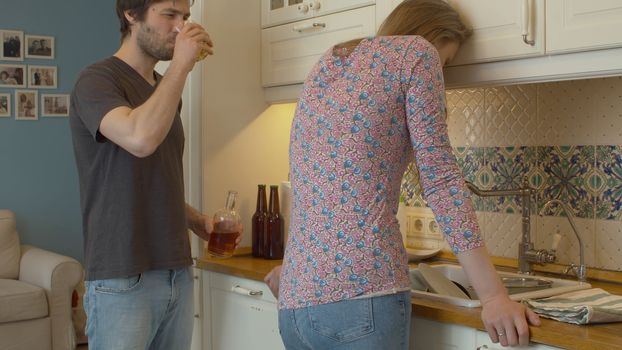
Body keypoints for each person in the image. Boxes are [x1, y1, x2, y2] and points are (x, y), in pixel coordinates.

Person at [264, 0, 541, 348]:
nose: (443, 72)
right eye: (447, 62)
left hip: (294, 305)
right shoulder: (417, 53)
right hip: (362, 296)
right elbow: (441, 182)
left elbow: (310, 180)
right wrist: (494, 296)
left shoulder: (331, 60)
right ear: (432, 36)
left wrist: (293, 267)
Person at [69, 1, 232, 349]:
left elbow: (151, 176)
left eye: (185, 17)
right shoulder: (96, 80)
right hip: (123, 273)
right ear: (132, 14)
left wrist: (195, 220)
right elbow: (139, 139)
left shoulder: (164, 87)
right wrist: (183, 66)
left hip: (177, 270)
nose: (180, 27)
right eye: (169, 14)